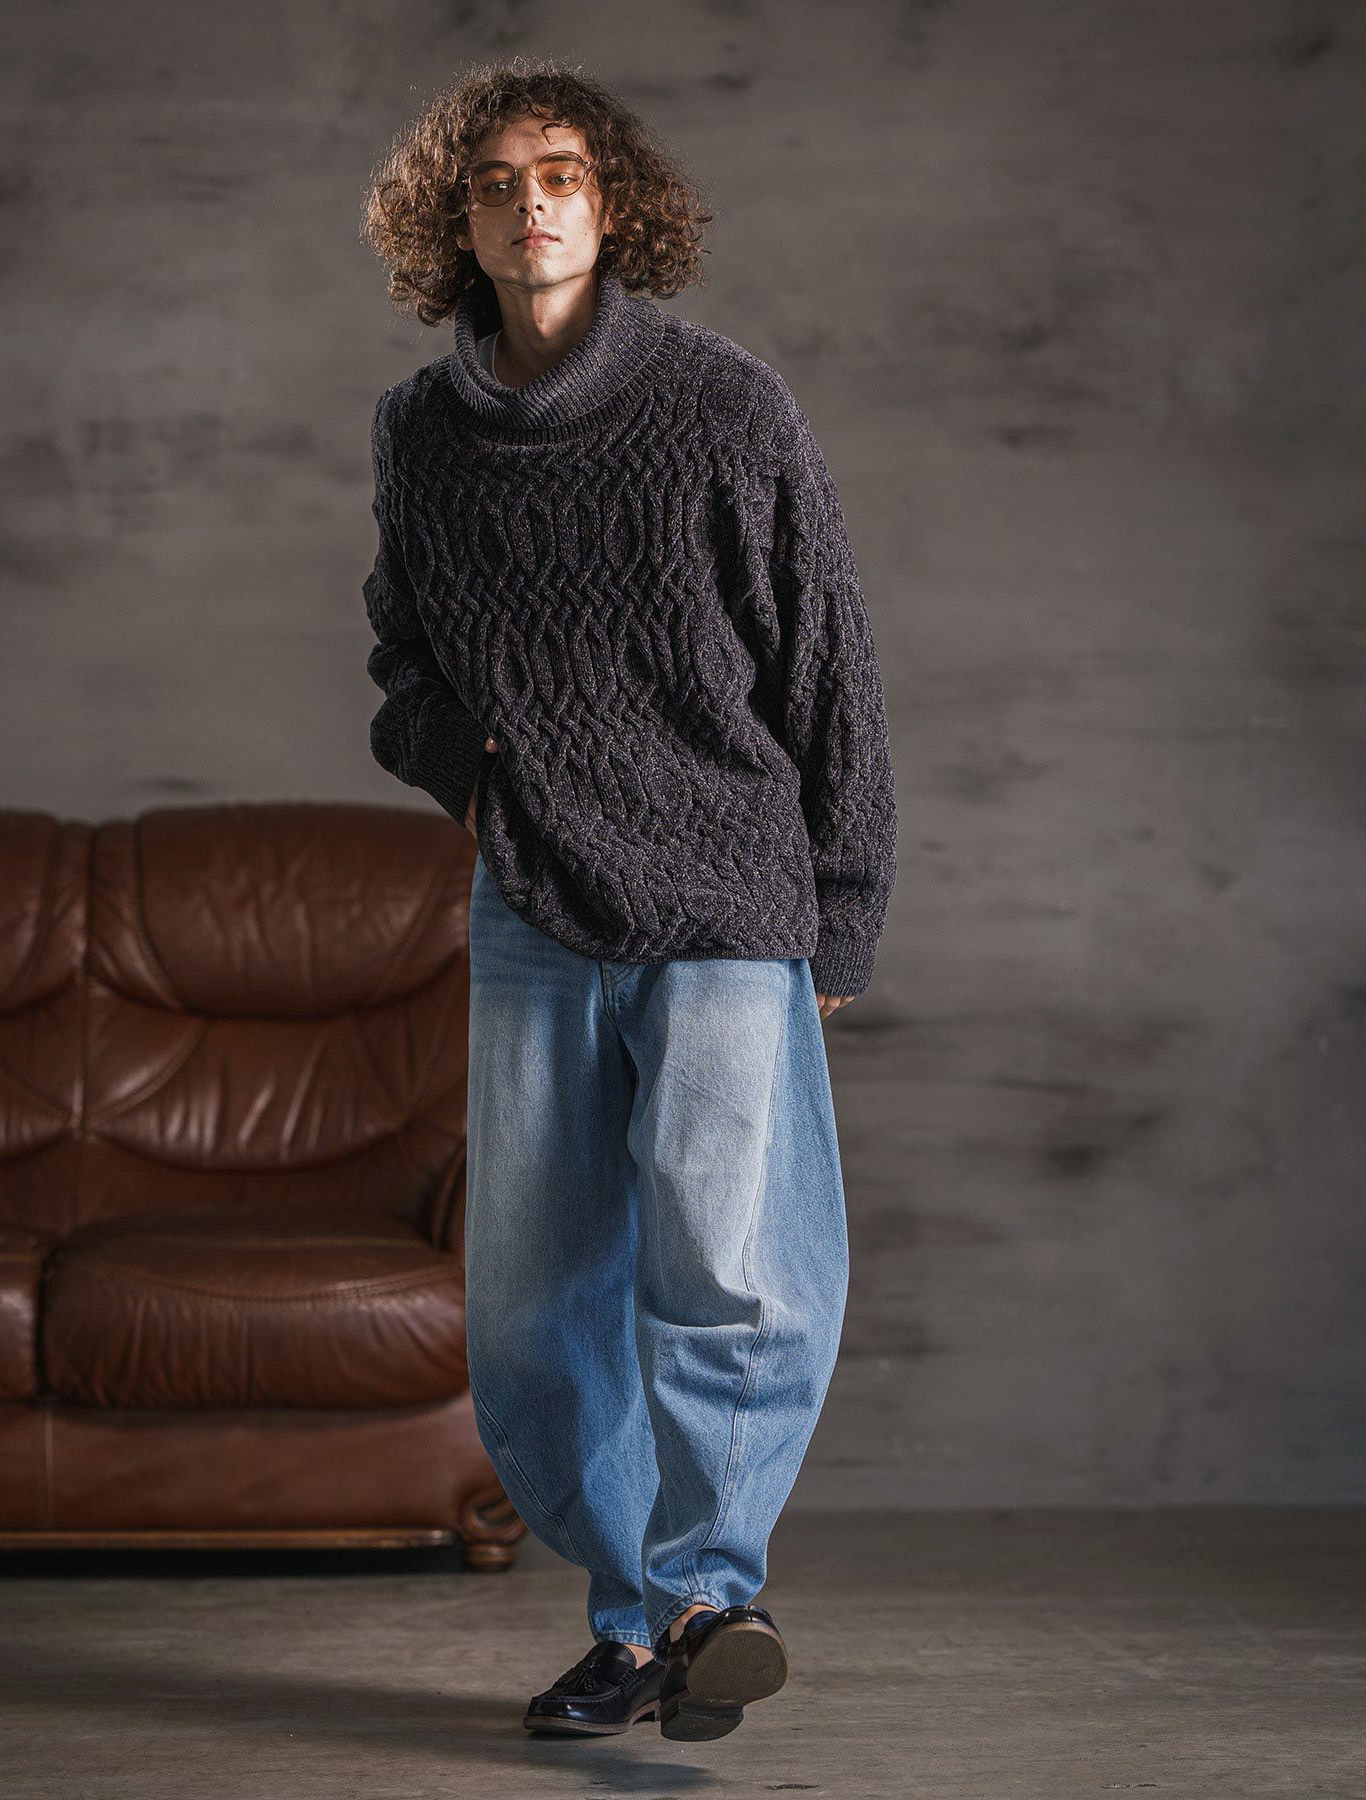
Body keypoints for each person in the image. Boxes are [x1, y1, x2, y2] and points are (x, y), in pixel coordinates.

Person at [360, 57, 897, 1742]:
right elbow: (401, 664)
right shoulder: (419, 434)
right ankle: (640, 1616)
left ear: (613, 206)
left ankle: (707, 1592)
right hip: (533, 901)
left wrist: (842, 906)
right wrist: (479, 769)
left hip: (727, 894)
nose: (532, 204)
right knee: (533, 1311)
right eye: (497, 181)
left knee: (729, 1274)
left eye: (564, 175)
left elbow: (828, 664)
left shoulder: (726, 406)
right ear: (453, 222)